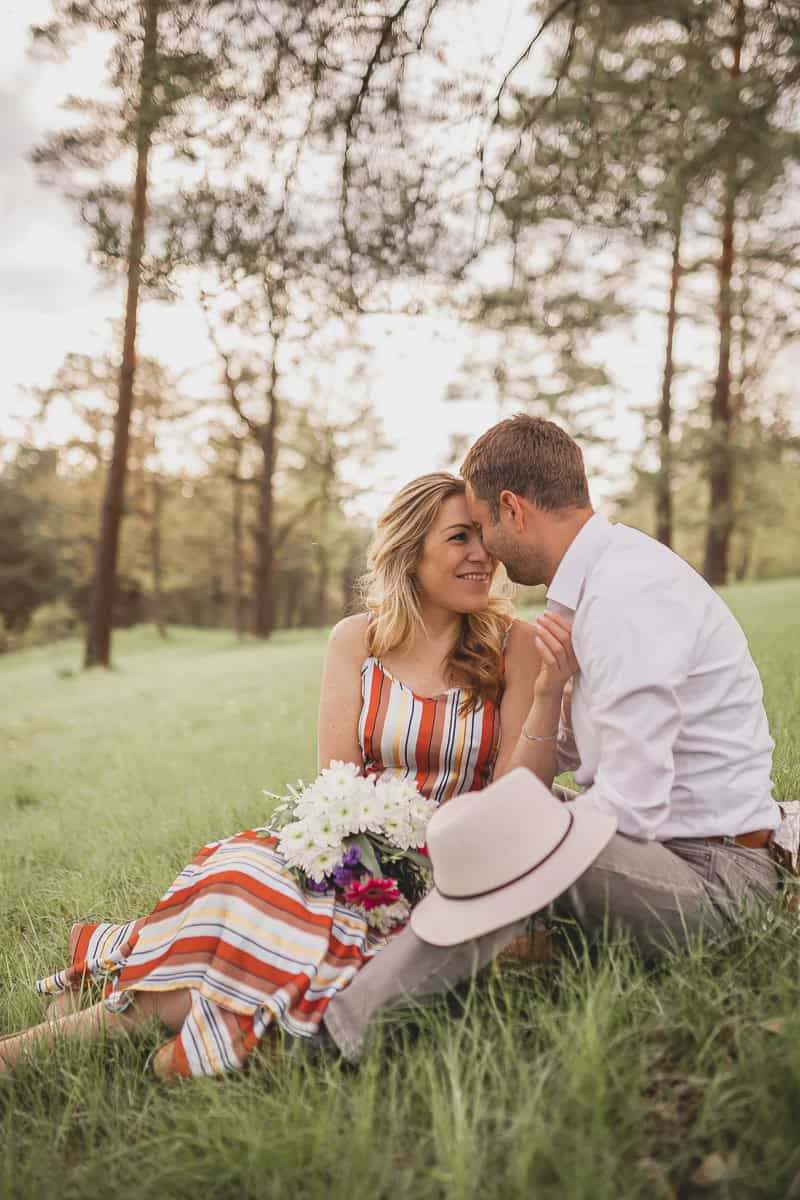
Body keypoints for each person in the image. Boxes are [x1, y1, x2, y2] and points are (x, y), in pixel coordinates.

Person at [0, 471, 578, 1081]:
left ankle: (78, 1032)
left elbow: (520, 794)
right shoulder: (357, 641)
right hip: (358, 855)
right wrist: (362, 860)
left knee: (262, 939)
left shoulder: (510, 644)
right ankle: (117, 1031)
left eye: (484, 537)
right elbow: (337, 780)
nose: (482, 555)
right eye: (460, 538)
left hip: (455, 867)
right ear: (410, 553)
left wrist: (547, 695)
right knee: (240, 870)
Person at [318, 414, 782, 1063]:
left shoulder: (627, 596)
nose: (487, 553)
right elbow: (571, 755)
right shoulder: (596, 587)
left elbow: (634, 808)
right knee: (493, 818)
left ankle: (337, 1032)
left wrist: (509, 829)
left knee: (516, 835)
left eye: (482, 529)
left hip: (715, 882)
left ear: (512, 508)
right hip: (671, 856)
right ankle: (381, 957)